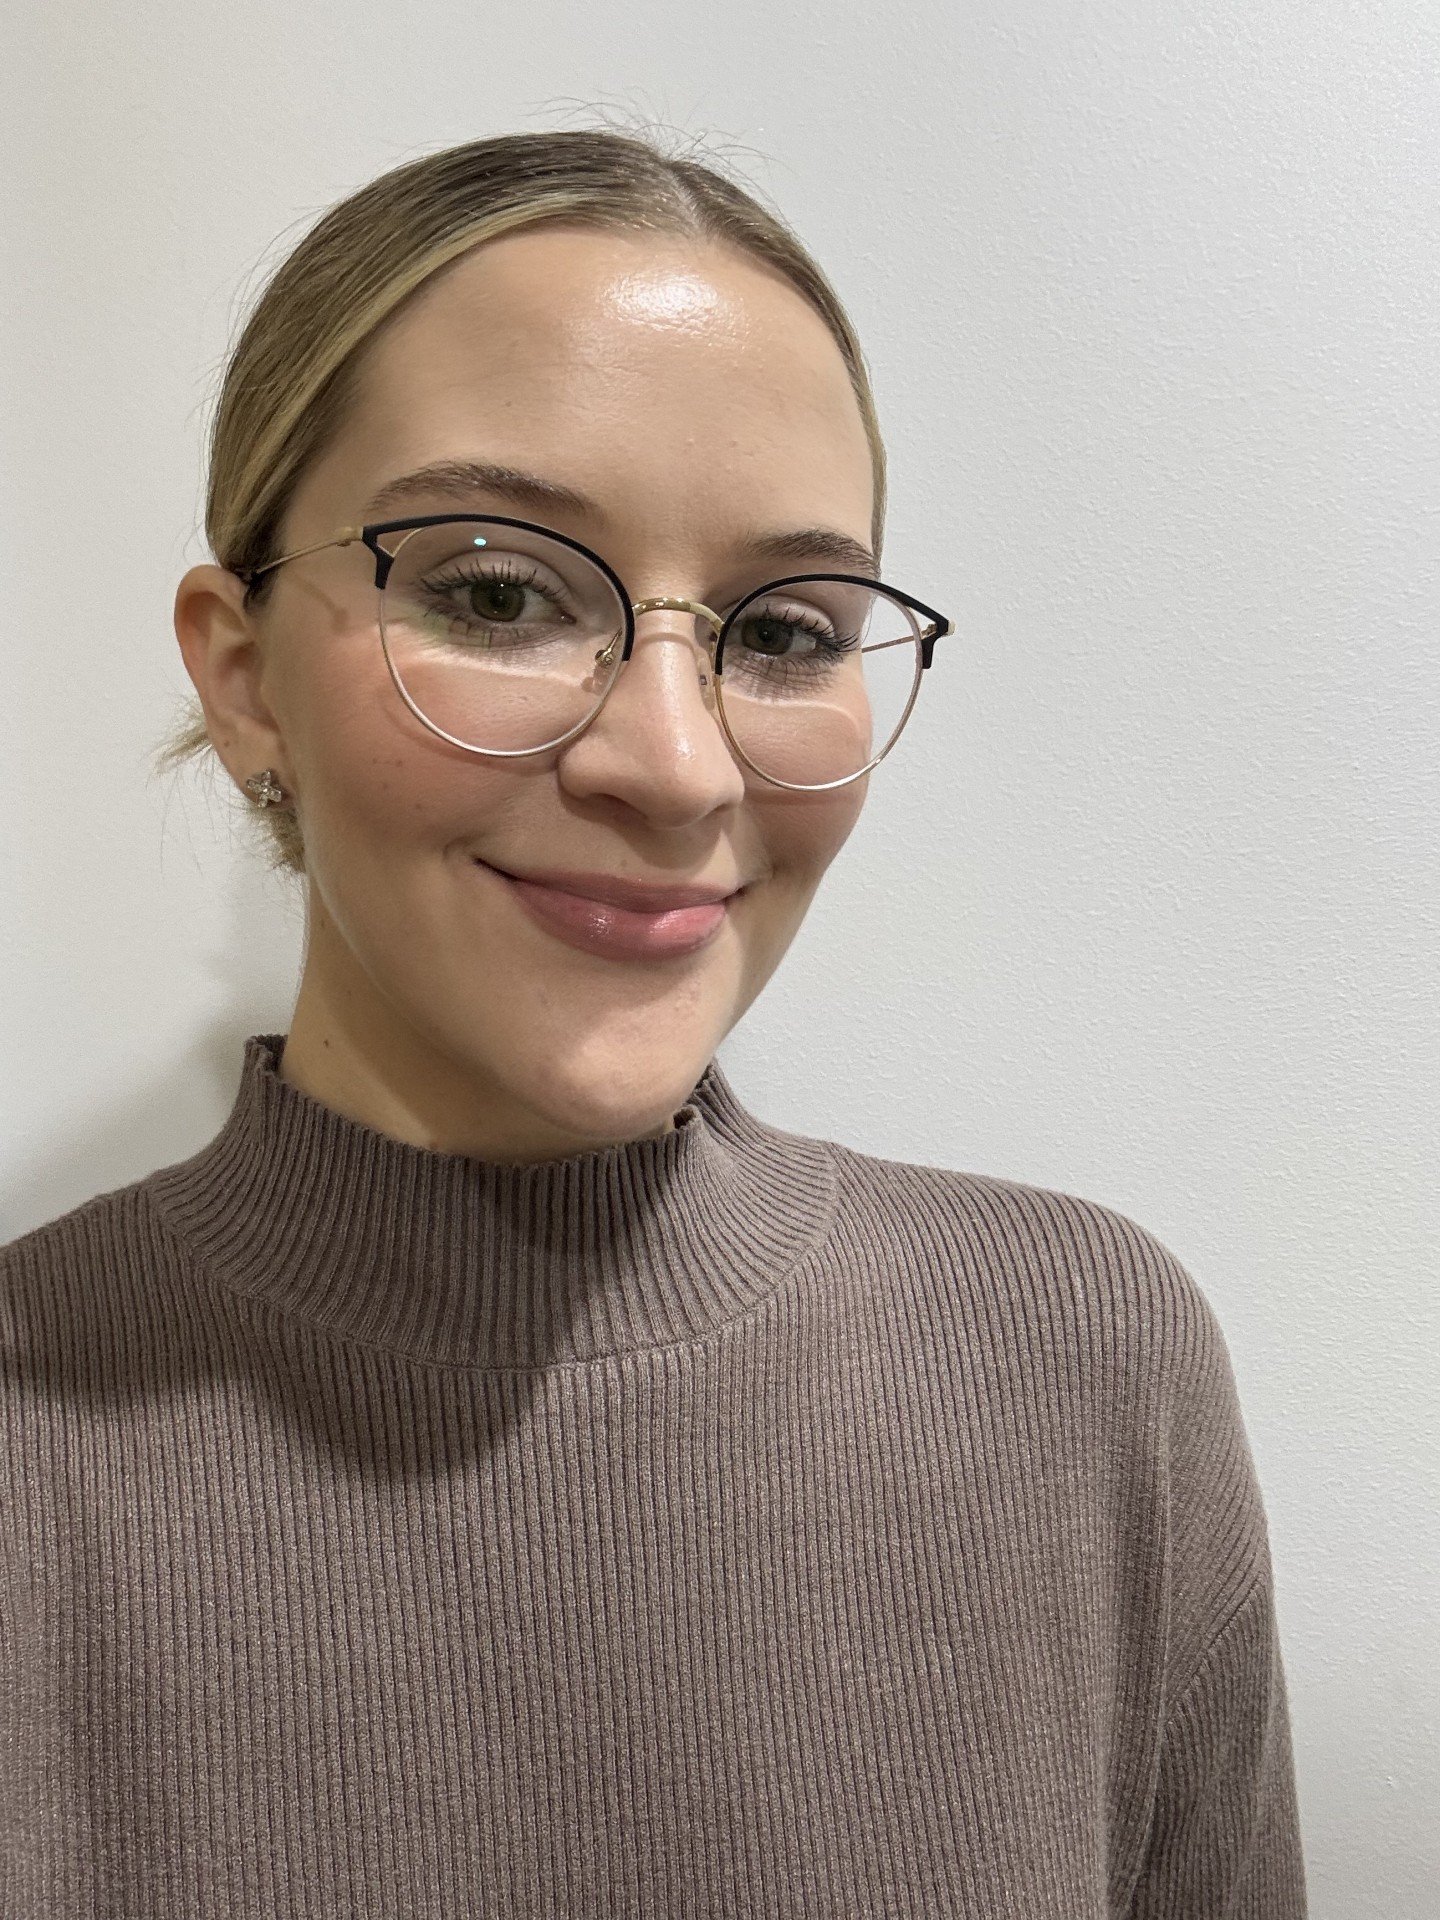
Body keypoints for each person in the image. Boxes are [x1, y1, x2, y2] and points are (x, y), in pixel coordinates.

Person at [0, 130, 1307, 1916]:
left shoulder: (1088, 1375)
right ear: (245, 677)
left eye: (787, 630)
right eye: (499, 592)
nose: (677, 765)